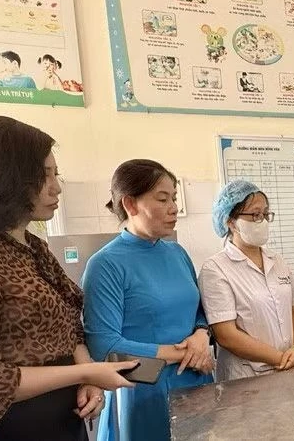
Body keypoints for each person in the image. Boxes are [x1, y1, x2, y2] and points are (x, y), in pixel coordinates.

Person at [0, 116, 136, 441]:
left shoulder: (33, 246)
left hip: (65, 422)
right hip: (9, 430)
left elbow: (69, 326)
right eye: (43, 175)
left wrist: (88, 379)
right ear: (2, 178)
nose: (56, 187)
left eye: (56, 174)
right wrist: (85, 371)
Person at [82, 159, 214, 441]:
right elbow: (104, 345)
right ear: (130, 204)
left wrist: (202, 334)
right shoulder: (106, 264)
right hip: (143, 391)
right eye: (163, 199)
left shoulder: (177, 253)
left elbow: (198, 311)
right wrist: (185, 354)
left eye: (174, 198)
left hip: (197, 382)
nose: (173, 208)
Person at [199, 180, 294, 382]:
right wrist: (280, 358)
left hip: (291, 368)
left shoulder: (277, 261)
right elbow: (227, 335)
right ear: (231, 222)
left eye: (265, 214)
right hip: (247, 377)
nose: (262, 221)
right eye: (255, 215)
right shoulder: (216, 269)